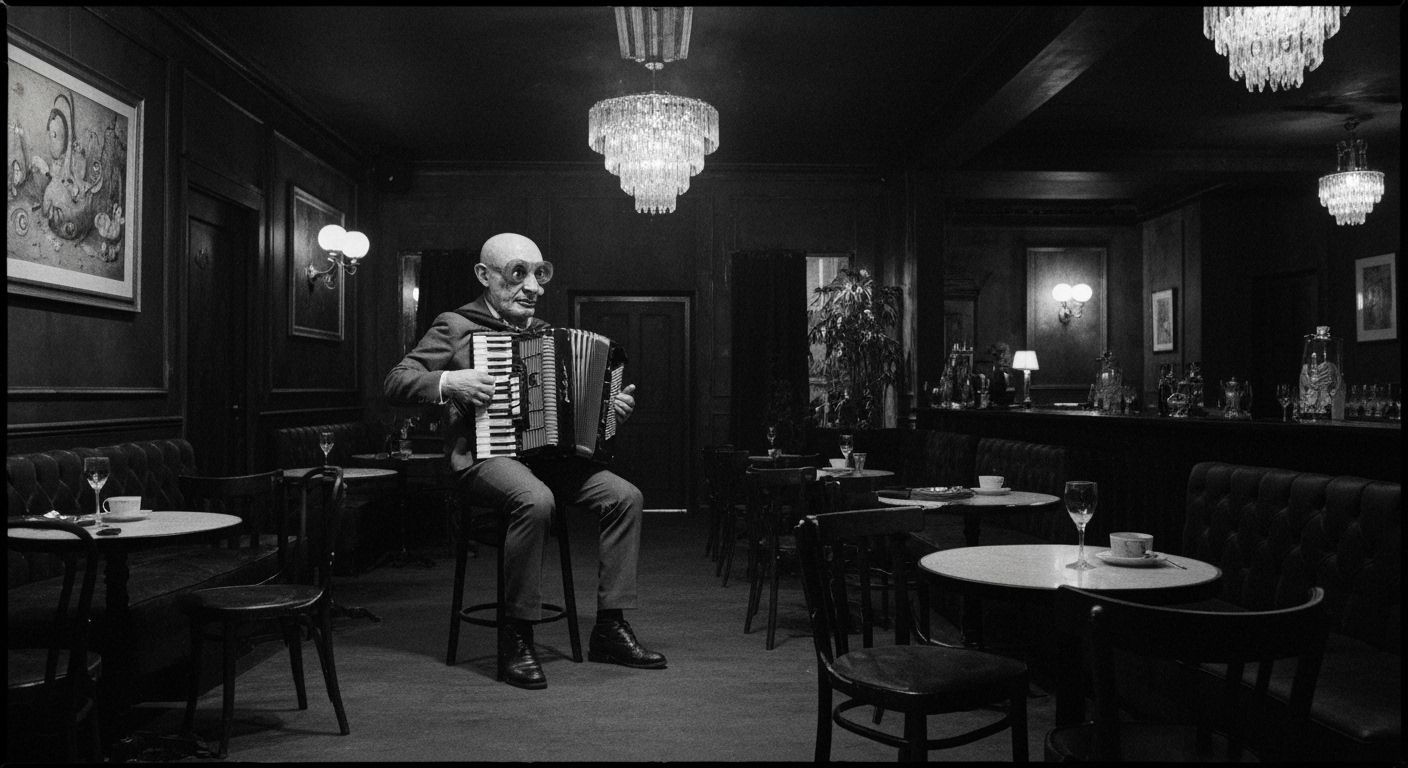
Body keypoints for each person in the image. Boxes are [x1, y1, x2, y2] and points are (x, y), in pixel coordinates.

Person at [384, 232, 666, 690]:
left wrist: (608, 411)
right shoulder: (456, 326)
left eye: (539, 274)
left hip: (547, 460)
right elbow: (396, 381)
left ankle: (610, 627)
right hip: (483, 457)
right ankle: (516, 636)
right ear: (485, 276)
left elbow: (575, 418)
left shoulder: (542, 335)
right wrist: (451, 380)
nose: (532, 286)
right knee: (535, 501)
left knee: (625, 497)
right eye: (519, 274)